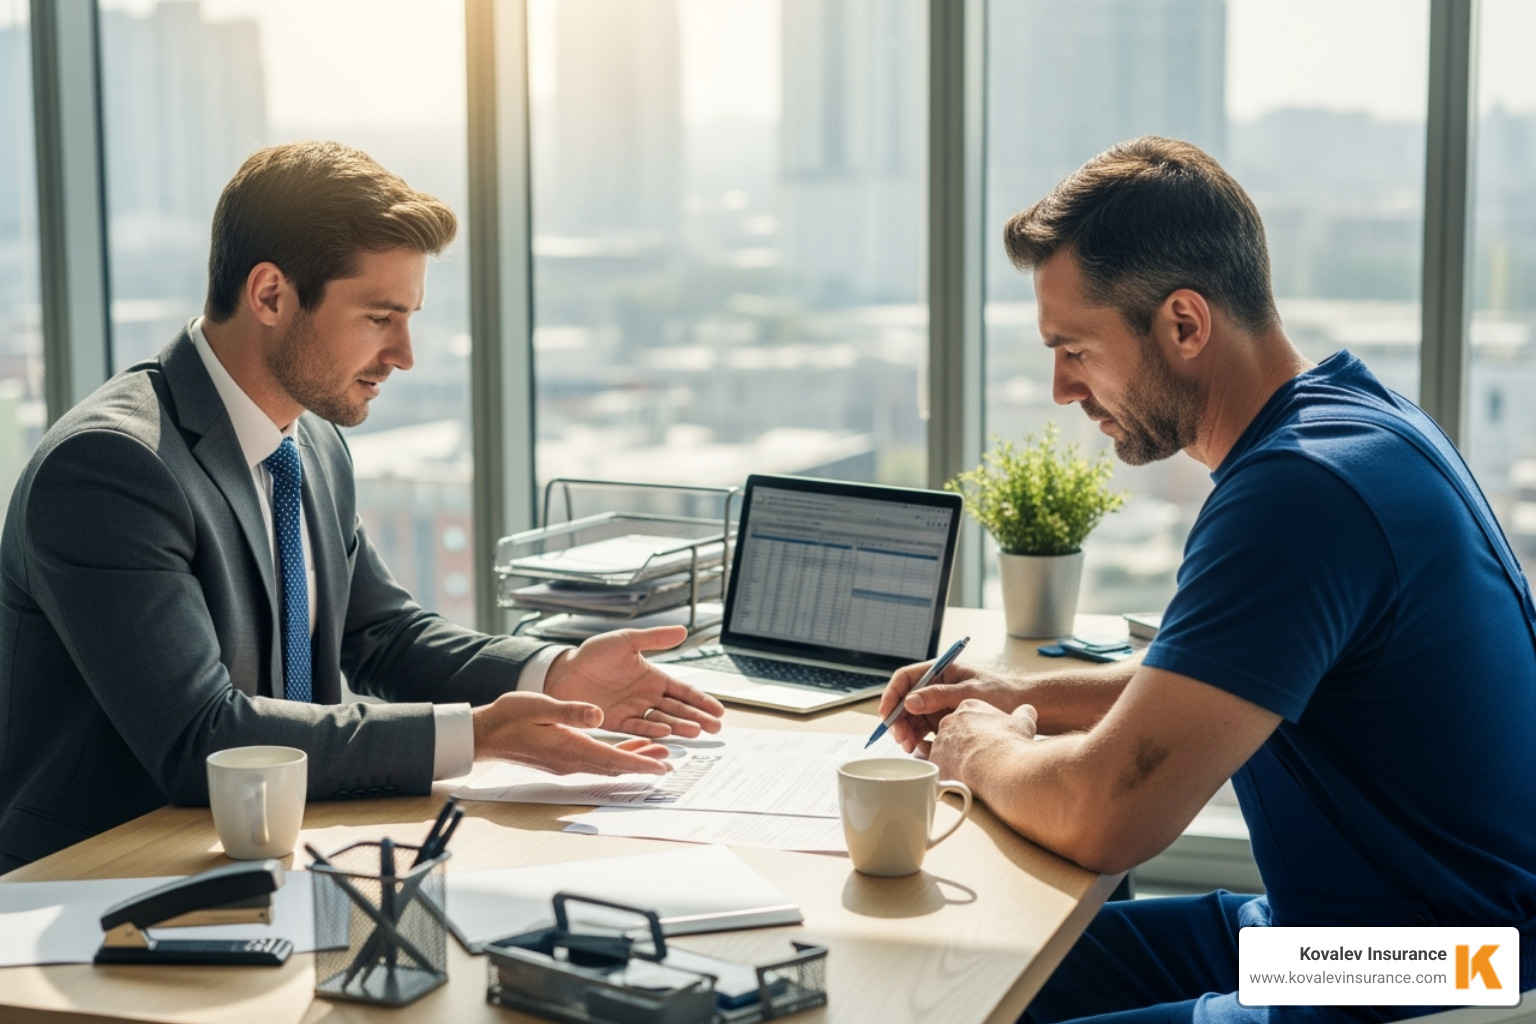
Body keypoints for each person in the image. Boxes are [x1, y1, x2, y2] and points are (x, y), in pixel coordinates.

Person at [879, 136, 1536, 1023]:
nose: (1061, 389)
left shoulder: (1298, 494)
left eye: (1075, 349)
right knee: (962, 972)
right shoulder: (1350, 422)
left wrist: (980, 748)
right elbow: (1218, 679)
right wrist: (1012, 691)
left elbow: (1109, 815)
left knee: (960, 1003)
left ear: (1184, 324)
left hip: (1435, 968)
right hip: (1367, 936)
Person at [0, 141, 724, 871]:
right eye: (380, 317)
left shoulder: (306, 440)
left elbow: (379, 635)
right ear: (271, 295)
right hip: (96, 881)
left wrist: (548, 674)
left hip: (266, 853)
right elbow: (203, 739)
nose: (405, 354)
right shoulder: (111, 468)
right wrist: (478, 735)